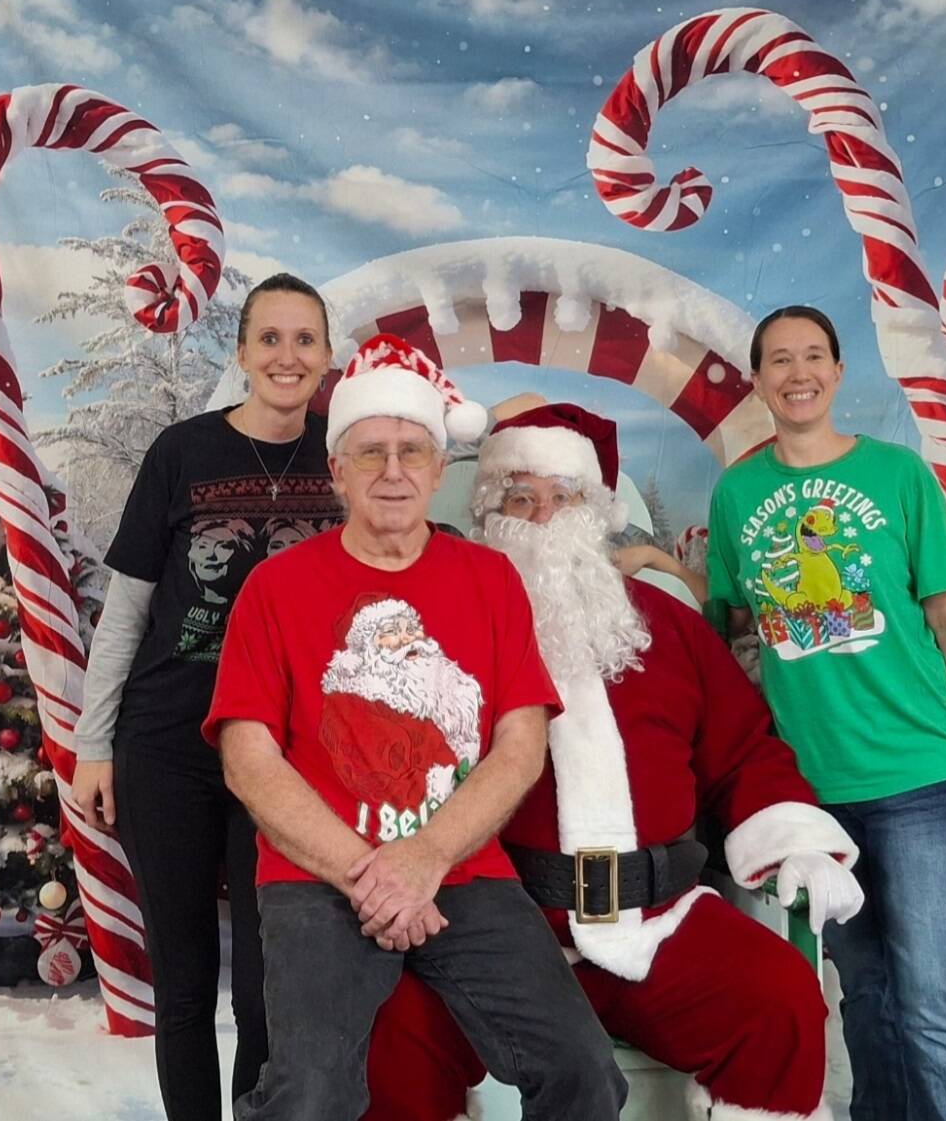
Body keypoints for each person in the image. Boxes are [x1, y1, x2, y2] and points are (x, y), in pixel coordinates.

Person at [365, 401, 865, 1121]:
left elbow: (743, 749)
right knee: (395, 1027)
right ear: (487, 513)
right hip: (494, 933)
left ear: (593, 512)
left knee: (778, 995)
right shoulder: (437, 631)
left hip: (657, 922)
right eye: (518, 498)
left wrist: (795, 843)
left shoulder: (666, 628)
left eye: (560, 497)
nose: (539, 517)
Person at [204, 336, 628, 1121]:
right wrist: (376, 873)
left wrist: (427, 855)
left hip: (463, 870)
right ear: (336, 469)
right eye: (369, 453)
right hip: (315, 876)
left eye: (411, 451)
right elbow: (249, 759)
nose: (392, 471)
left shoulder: (488, 579)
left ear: (440, 469)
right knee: (309, 1095)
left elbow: (519, 741)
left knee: (584, 1072)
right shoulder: (277, 588)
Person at [706, 306, 946, 1121]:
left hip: (917, 771)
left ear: (838, 372)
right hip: (811, 789)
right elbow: (729, 628)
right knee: (865, 992)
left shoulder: (898, 475)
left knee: (924, 997)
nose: (797, 372)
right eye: (778, 359)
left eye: (813, 355)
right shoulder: (738, 492)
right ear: (759, 378)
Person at [71, 273, 342, 1121]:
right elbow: (127, 610)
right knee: (183, 981)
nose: (286, 356)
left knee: (268, 987)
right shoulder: (181, 451)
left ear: (329, 356)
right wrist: (93, 742)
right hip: (167, 746)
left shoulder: (346, 457)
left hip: (285, 753)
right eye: (270, 338)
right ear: (242, 352)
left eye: (305, 339)